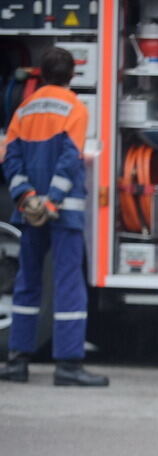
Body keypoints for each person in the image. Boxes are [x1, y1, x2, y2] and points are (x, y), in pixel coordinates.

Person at [0, 47, 108, 386]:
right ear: (72, 75)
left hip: (29, 214)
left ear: (40, 75)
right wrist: (52, 201)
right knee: (67, 285)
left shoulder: (24, 110)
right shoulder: (74, 108)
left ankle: (17, 362)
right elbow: (69, 158)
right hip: (62, 214)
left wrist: (28, 197)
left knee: (27, 284)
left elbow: (10, 158)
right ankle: (68, 365)